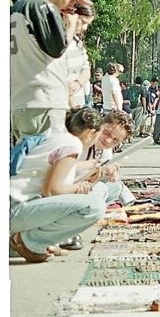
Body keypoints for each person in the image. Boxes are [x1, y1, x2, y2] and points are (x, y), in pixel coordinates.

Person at [9, 107, 108, 263]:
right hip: (14, 209)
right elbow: (51, 190)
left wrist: (89, 176)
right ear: (90, 133)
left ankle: (40, 240)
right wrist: (78, 188)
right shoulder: (72, 145)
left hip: (20, 205)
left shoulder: (60, 137)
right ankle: (30, 241)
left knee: (101, 189)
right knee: (94, 206)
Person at [11, 0, 92, 140]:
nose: (72, 7)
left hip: (21, 100)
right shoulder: (40, 5)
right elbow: (57, 49)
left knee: (28, 161)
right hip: (43, 100)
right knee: (47, 162)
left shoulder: (18, 6)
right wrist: (70, 27)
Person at [64, 3, 96, 110]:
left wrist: (78, 83)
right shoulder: (56, 41)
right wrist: (74, 110)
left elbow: (86, 69)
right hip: (64, 107)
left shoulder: (77, 41)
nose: (85, 28)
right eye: (83, 22)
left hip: (78, 104)